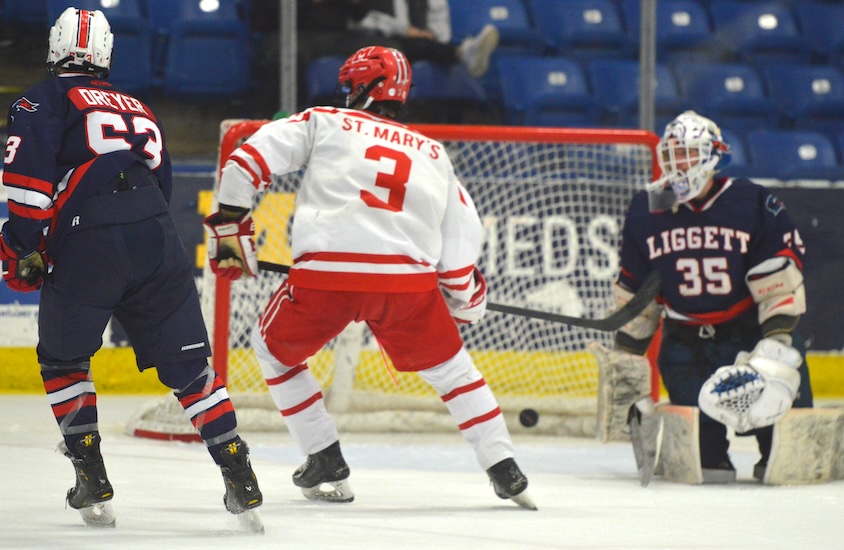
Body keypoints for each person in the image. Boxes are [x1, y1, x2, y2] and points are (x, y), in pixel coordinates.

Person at [203, 45, 535, 509]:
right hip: (406, 286)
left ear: (362, 87)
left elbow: (246, 161)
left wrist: (231, 225)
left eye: (348, 87)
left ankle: (323, 455)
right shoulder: (434, 153)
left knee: (272, 351)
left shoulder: (324, 120)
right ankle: (506, 468)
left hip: (327, 279)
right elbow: (462, 240)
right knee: (454, 370)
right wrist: (465, 298)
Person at [0, 8, 262, 528]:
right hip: (157, 236)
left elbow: (27, 190)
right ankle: (239, 470)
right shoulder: (139, 106)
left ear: (55, 50)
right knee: (192, 369)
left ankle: (91, 474)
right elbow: (160, 190)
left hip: (89, 237)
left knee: (64, 360)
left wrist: (19, 250)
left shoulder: (40, 98)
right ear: (106, 54)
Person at [610, 110, 813, 483]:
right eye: (670, 155)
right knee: (704, 470)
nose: (677, 165)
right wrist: (629, 373)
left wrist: (776, 346)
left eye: (687, 153)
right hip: (688, 350)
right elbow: (637, 296)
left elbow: (779, 282)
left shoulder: (750, 201)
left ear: (712, 155)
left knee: (787, 463)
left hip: (751, 337)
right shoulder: (647, 208)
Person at [353, 0, 499, 78]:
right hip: (387, 40)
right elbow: (364, 19)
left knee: (422, 45)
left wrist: (431, 34)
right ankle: (463, 53)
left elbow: (443, 32)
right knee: (405, 46)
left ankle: (463, 53)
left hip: (422, 43)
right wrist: (406, 31)